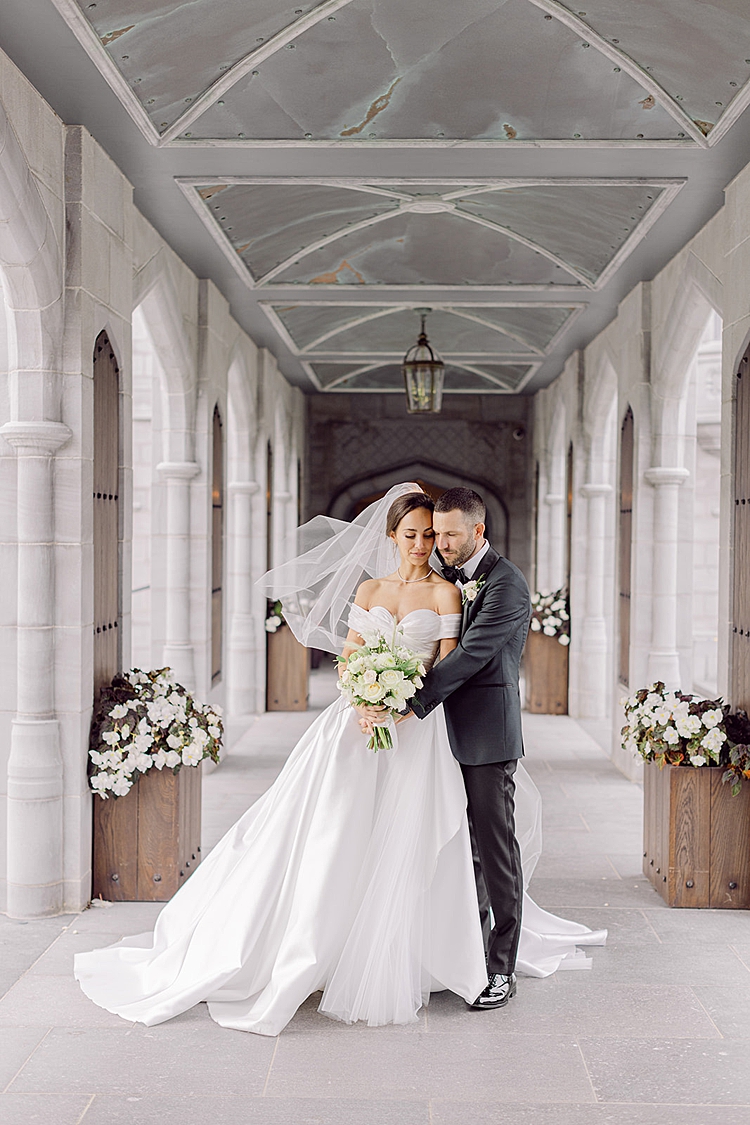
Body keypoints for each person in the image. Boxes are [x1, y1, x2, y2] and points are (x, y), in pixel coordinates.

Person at [74, 483, 605, 1036]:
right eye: (423, 534)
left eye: (443, 534)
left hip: (468, 730)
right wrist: (365, 692)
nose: (433, 544)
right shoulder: (425, 580)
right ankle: (363, 944)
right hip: (390, 722)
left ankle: (497, 965)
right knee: (351, 835)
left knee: (486, 843)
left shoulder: (501, 584)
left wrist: (403, 699)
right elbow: (354, 649)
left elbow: (468, 656)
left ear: (478, 531)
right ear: (395, 537)